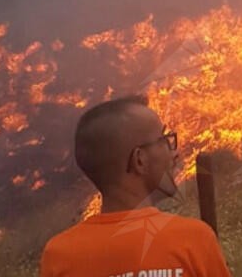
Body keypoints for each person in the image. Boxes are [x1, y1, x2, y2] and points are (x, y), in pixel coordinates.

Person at [40, 95, 231, 277]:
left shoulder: (59, 256)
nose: (175, 154)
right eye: (164, 140)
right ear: (140, 160)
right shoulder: (193, 240)